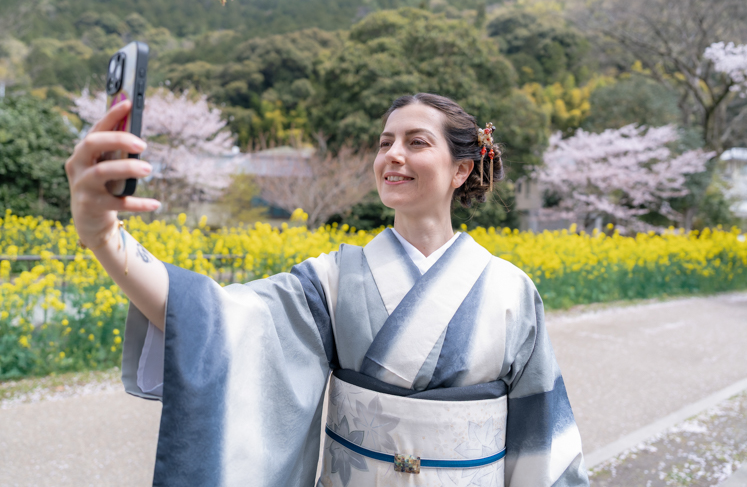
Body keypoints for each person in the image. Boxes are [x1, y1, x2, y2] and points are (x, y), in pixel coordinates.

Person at [65, 93, 589, 487]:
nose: (393, 155)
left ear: (462, 169)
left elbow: (540, 435)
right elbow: (215, 320)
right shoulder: (335, 278)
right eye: (385, 143)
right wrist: (104, 236)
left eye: (416, 142)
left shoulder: (511, 291)